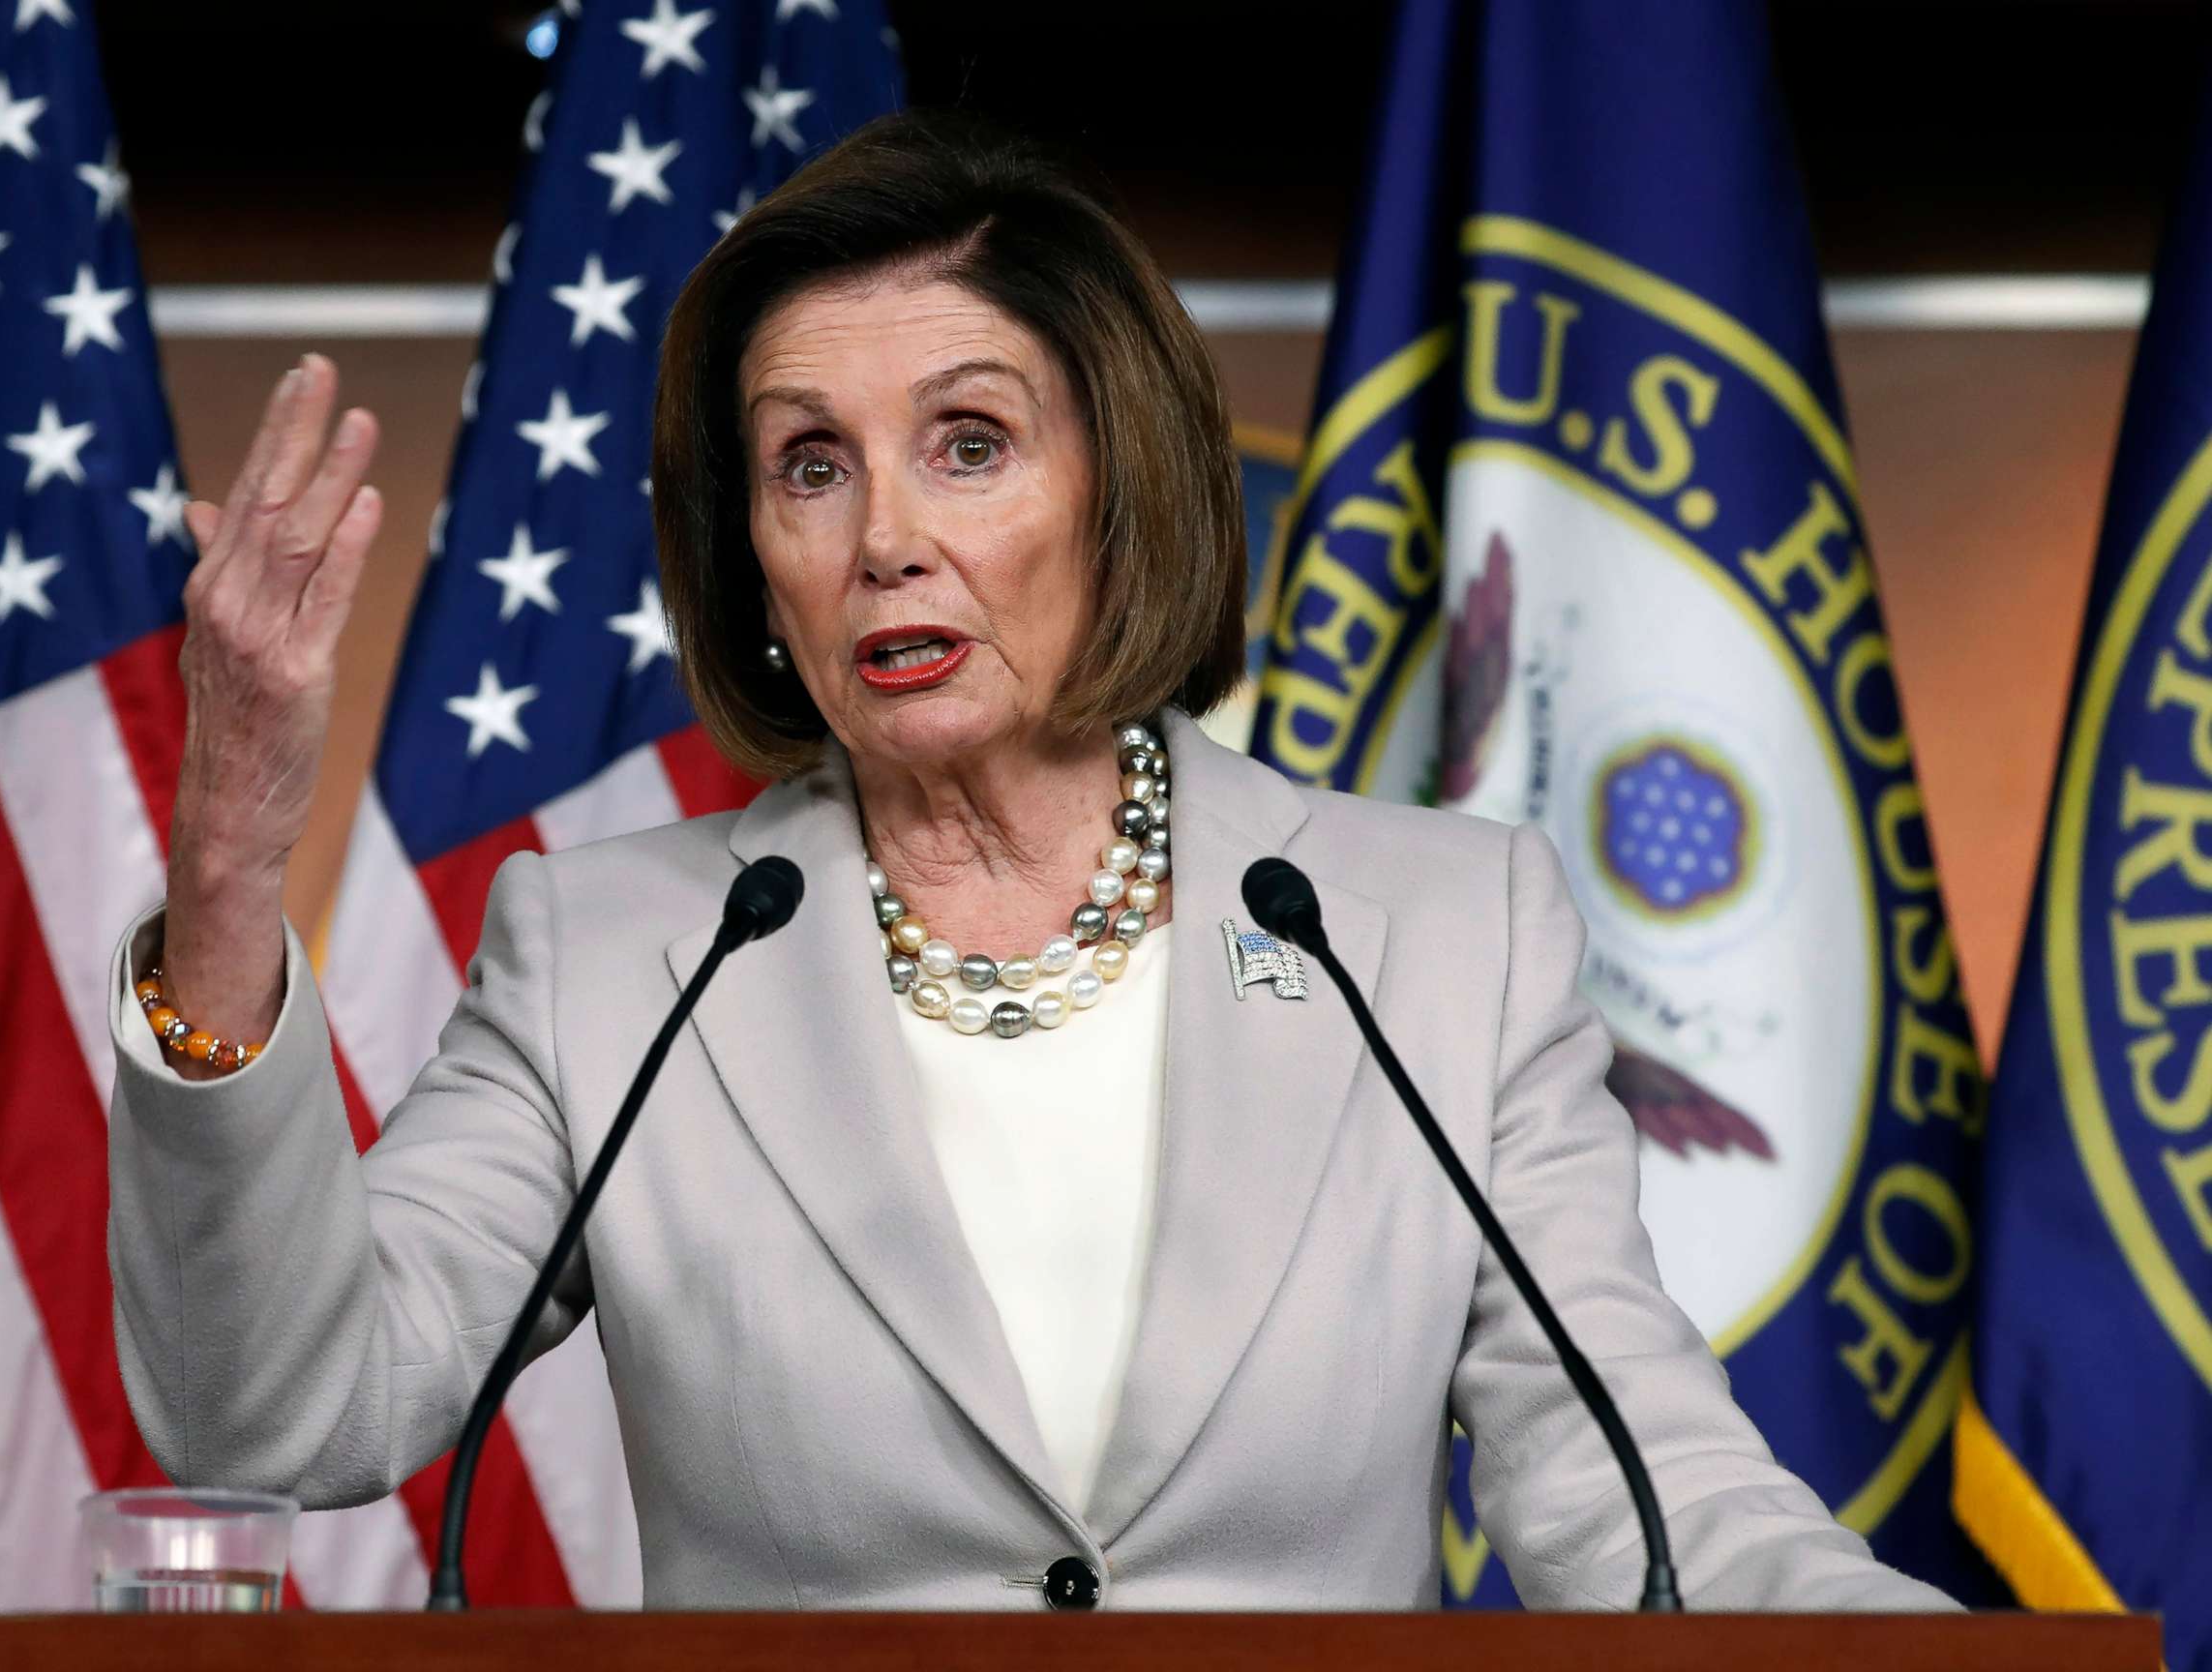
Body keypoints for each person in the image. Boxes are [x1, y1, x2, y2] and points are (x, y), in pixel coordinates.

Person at [106, 110, 1954, 1612]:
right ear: (753, 555)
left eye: (969, 444)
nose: (885, 535)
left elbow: (1638, 1494)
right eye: (808, 468)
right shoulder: (616, 958)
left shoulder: (1434, 940)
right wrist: (231, 861)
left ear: (1123, 484)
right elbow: (273, 1412)